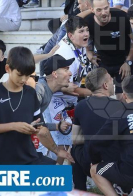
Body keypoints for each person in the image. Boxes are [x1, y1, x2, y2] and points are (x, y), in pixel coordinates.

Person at [0, 47, 56, 165]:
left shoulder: (31, 93)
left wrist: (56, 150)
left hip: (27, 156)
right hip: (0, 157)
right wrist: (14, 126)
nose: (24, 79)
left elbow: (40, 125)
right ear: (7, 69)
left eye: (28, 75)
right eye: (20, 75)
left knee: (56, 174)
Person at [40, 17, 92, 164]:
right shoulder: (66, 54)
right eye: (81, 31)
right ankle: (55, 177)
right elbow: (66, 87)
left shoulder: (75, 43)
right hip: (55, 99)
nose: (85, 34)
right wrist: (93, 93)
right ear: (70, 35)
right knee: (61, 142)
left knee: (65, 139)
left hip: (63, 98)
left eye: (87, 30)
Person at [71, 68, 122, 191]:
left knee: (73, 150)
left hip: (90, 161)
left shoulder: (81, 106)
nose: (113, 83)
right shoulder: (120, 106)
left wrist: (91, 135)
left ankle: (80, 189)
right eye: (111, 80)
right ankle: (121, 187)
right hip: (114, 162)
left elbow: (75, 139)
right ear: (105, 85)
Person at [84, 0, 133, 100]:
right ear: (91, 9)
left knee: (123, 97)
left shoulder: (121, 17)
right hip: (103, 63)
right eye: (99, 10)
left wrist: (128, 61)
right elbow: (86, 40)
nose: (104, 13)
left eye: (106, 8)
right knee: (100, 96)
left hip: (123, 62)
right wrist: (89, 53)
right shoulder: (88, 22)